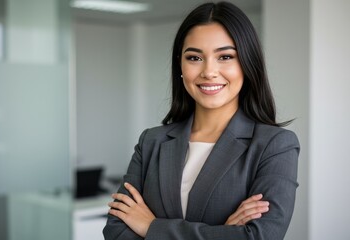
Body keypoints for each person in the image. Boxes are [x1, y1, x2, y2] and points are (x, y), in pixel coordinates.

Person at [103, 1, 299, 239]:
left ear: (247, 64)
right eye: (194, 58)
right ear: (181, 66)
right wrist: (223, 233)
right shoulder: (151, 142)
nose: (208, 71)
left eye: (225, 56)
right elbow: (116, 231)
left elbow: (259, 236)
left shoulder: (275, 145)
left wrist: (150, 226)